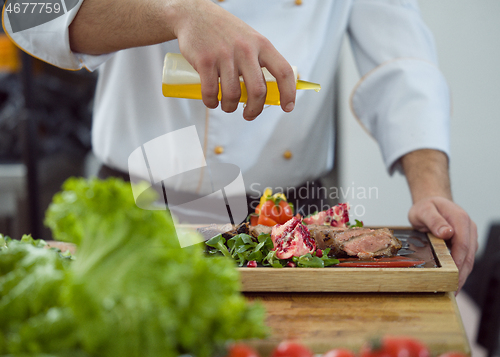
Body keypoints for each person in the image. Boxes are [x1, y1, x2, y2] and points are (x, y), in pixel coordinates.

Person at [2, 0, 477, 291]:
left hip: (293, 221)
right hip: (138, 211)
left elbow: (402, 63)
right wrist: (175, 11)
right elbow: (25, 10)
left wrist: (430, 186)